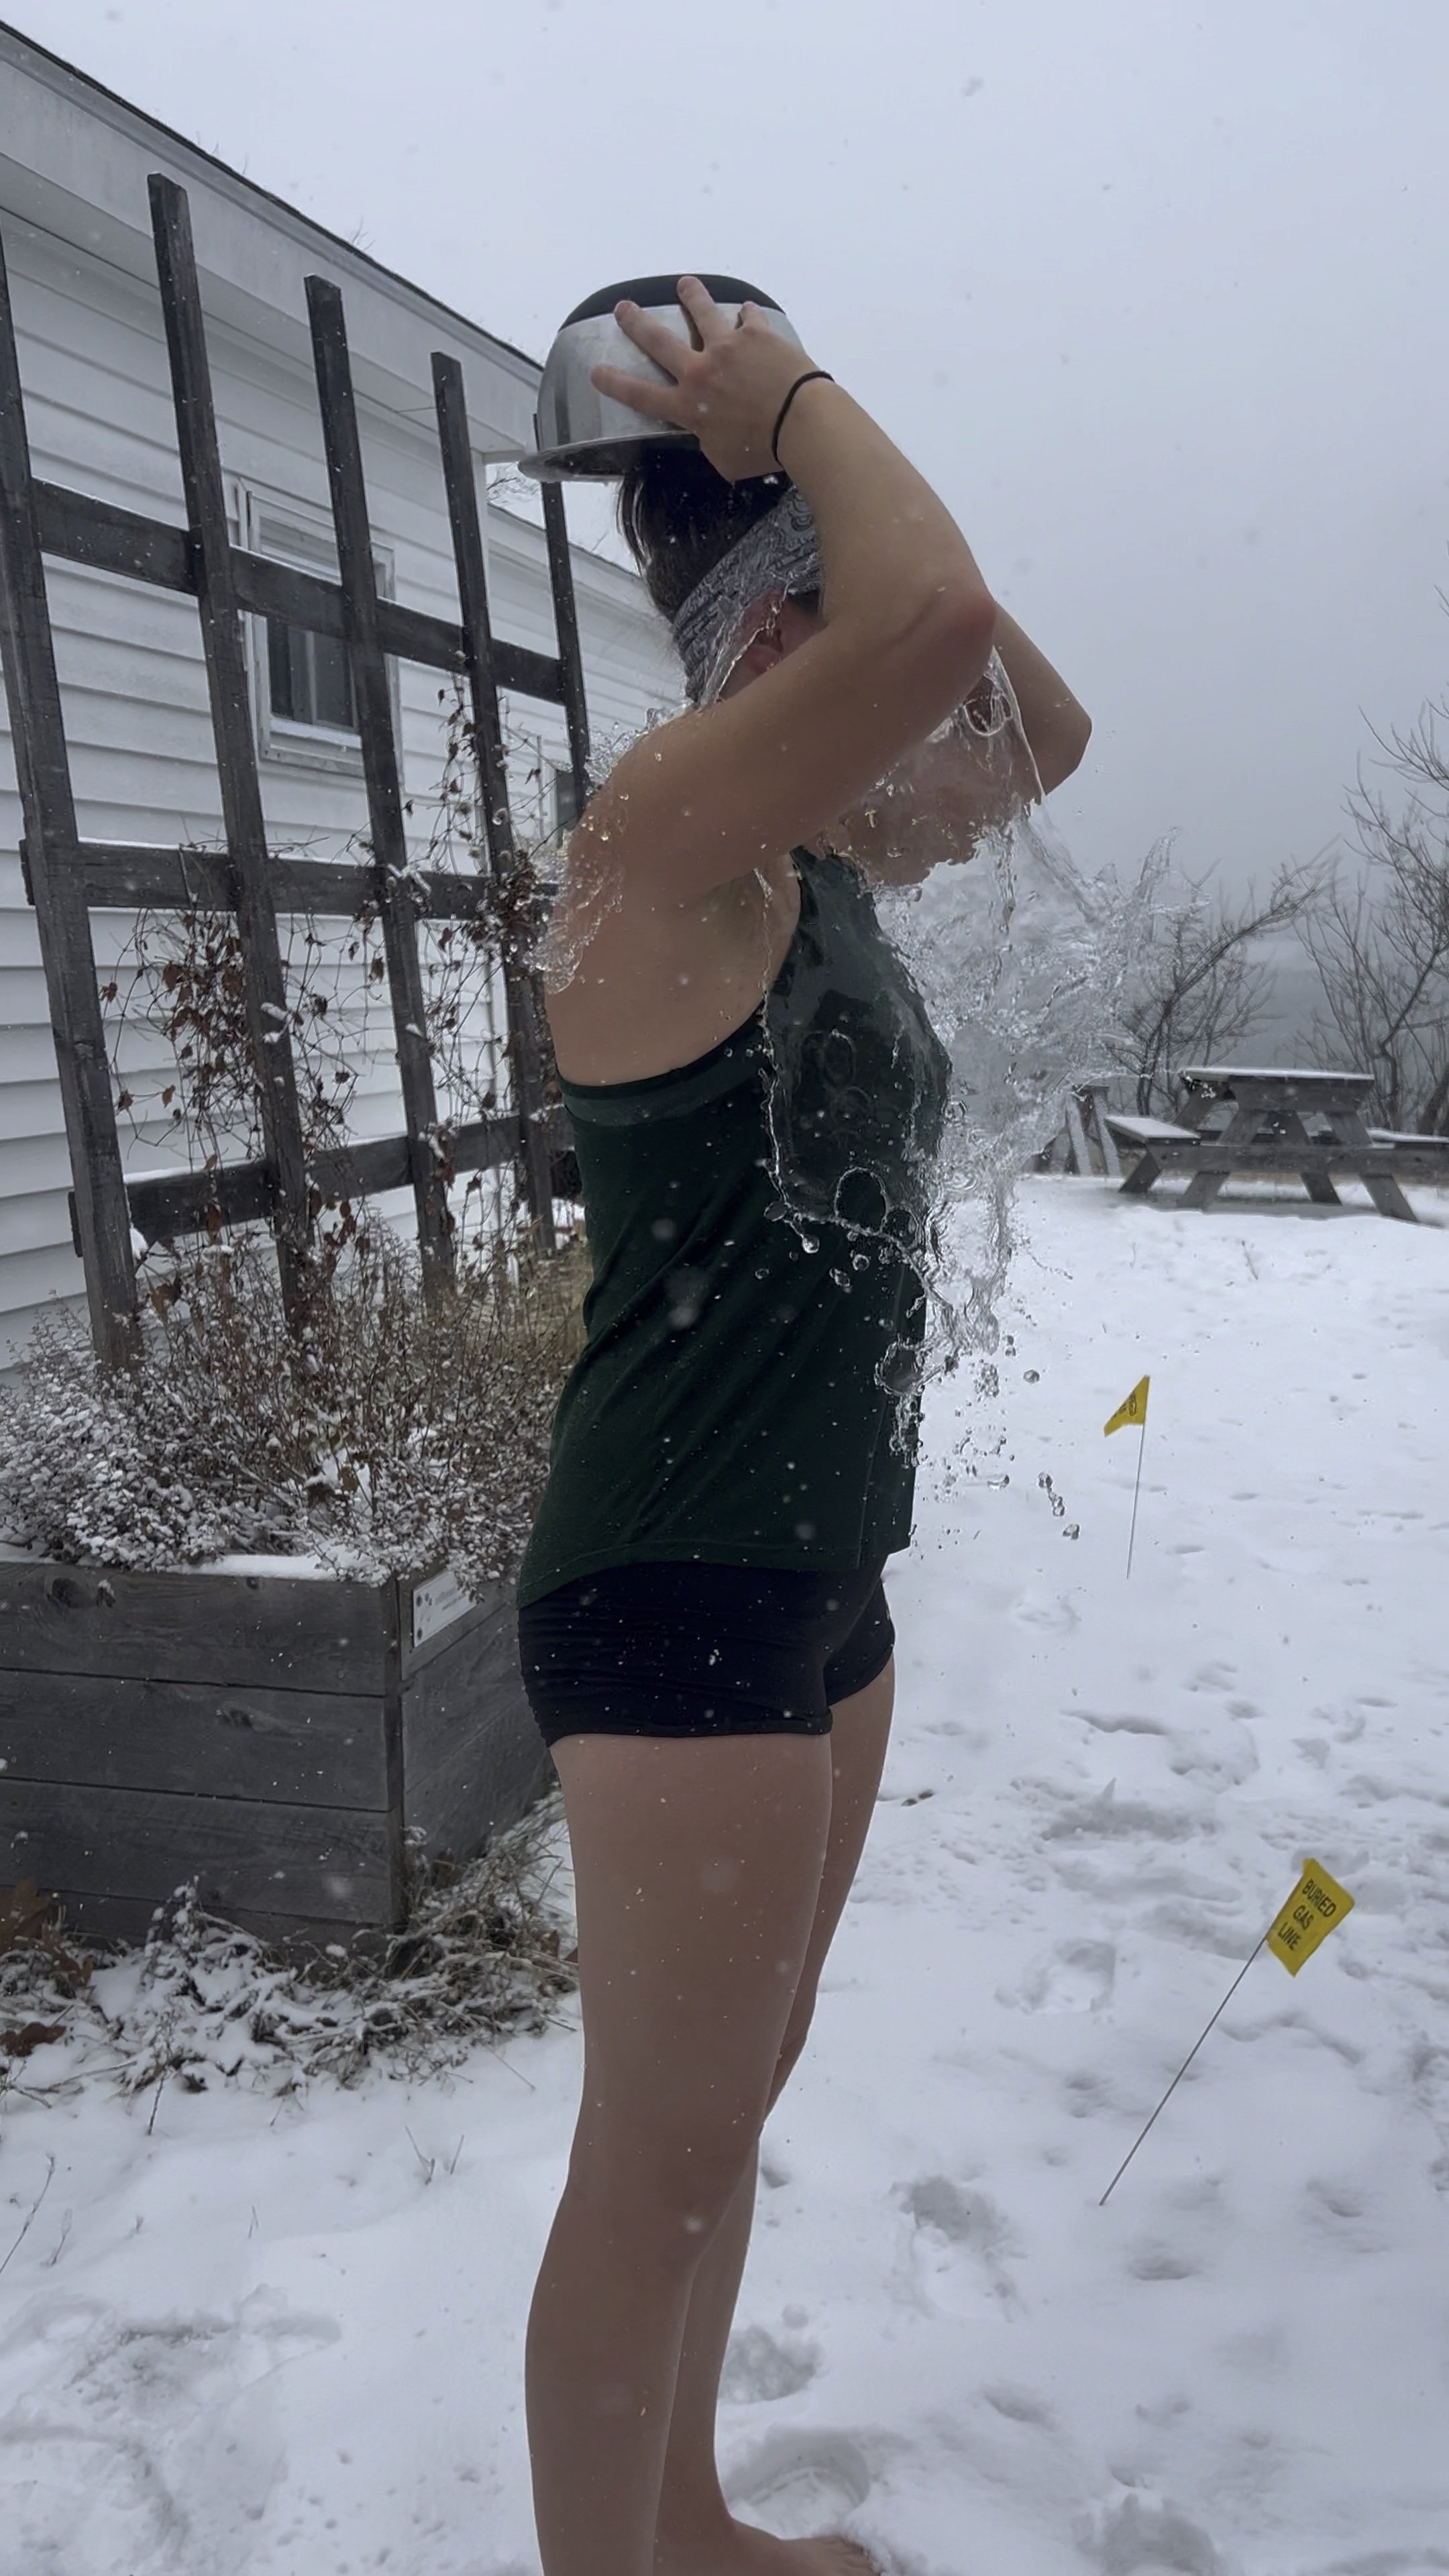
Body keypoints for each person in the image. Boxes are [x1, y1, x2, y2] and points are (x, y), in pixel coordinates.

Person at [516, 278, 1090, 2576]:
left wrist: (814, 448)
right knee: (643, 2163)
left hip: (820, 1582)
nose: (899, 660)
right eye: (834, 614)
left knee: (721, 2121)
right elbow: (932, 607)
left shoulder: (835, 853)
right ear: (772, 622)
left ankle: (693, 2531)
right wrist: (807, 410)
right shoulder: (660, 835)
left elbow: (1037, 721)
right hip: (669, 1590)